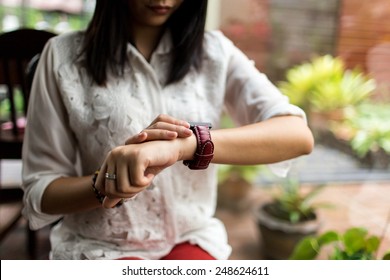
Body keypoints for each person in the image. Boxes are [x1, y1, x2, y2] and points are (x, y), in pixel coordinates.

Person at [22, 0, 314, 260]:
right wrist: (106, 184)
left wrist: (184, 146)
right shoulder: (62, 56)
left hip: (191, 239)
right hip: (100, 247)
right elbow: (40, 189)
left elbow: (297, 134)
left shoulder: (215, 51)